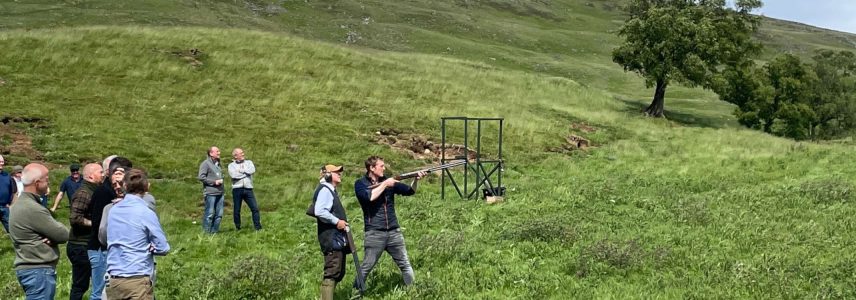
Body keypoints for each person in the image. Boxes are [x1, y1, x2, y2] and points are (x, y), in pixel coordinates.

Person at [354, 156, 424, 288]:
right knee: (366, 267)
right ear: (372, 168)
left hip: (393, 231)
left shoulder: (388, 181)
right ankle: (355, 293)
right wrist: (385, 184)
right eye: (381, 166)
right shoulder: (360, 184)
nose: (384, 168)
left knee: (405, 264)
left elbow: (410, 191)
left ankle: (413, 291)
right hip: (374, 232)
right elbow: (369, 197)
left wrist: (416, 179)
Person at [105, 168, 170, 300]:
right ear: (147, 187)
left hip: (114, 278)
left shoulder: (113, 210)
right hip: (137, 278)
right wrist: (152, 247)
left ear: (124, 186)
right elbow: (163, 247)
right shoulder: (145, 212)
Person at [9, 163, 70, 299]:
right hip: (38, 271)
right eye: (46, 179)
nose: (49, 181)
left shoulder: (19, 204)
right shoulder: (33, 208)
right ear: (37, 183)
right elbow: (63, 234)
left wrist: (50, 235)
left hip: (30, 270)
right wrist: (53, 235)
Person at [88, 156, 132, 300]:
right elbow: (98, 225)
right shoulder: (104, 193)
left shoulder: (114, 192)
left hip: (108, 249)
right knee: (100, 292)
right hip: (101, 248)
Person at [312, 164, 350, 300]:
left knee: (338, 272)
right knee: (332, 272)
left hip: (335, 237)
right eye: (336, 172)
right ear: (327, 175)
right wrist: (337, 221)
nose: (339, 174)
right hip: (331, 237)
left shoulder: (329, 190)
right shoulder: (325, 190)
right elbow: (320, 211)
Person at [67, 163, 104, 300]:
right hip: (80, 246)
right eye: (100, 172)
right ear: (90, 176)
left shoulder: (94, 191)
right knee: (80, 285)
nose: (103, 174)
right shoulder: (84, 193)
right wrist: (95, 224)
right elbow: (75, 218)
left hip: (86, 245)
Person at [228, 148, 261, 231]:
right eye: (240, 153)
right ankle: (238, 227)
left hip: (248, 189)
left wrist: (241, 171)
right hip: (237, 189)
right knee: (237, 210)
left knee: (255, 208)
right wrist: (246, 174)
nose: (243, 154)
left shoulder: (249, 162)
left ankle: (258, 227)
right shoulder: (231, 165)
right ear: (235, 156)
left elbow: (252, 170)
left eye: (243, 152)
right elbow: (234, 176)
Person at [198, 146, 225, 233]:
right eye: (217, 151)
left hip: (220, 193)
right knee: (209, 214)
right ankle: (206, 233)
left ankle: (214, 232)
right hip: (210, 193)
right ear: (211, 153)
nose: (219, 153)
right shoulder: (205, 163)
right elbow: (201, 177)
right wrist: (214, 182)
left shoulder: (218, 163)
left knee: (219, 215)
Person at [0, 155, 18, 233]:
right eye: (0, 161)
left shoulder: (7, 176)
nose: (2, 163)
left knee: (13, 230)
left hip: (5, 207)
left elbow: (14, 191)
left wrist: (11, 204)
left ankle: (19, 244)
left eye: (2, 161)